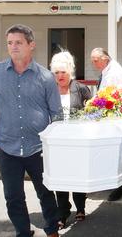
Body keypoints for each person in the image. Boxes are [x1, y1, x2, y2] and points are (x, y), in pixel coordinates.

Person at [0, 24, 61, 237]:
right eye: (10, 43)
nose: (13, 47)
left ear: (32, 45)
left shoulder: (46, 77)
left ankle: (51, 230)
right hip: (8, 146)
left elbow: (56, 114)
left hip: (39, 147)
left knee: (46, 192)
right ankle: (22, 231)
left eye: (18, 42)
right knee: (13, 196)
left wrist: (56, 145)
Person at [49, 51, 92, 227]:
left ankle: (80, 207)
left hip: (77, 140)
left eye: (63, 72)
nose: (60, 76)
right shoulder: (49, 89)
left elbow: (92, 110)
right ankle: (63, 212)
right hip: (57, 141)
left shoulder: (80, 88)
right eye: (56, 72)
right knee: (60, 178)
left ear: (70, 72)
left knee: (78, 176)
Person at [90, 47, 122, 201]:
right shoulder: (108, 69)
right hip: (111, 116)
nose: (94, 64)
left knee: (117, 152)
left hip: (114, 117)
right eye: (92, 61)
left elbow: (110, 96)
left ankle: (120, 186)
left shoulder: (113, 72)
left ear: (105, 59)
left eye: (96, 60)